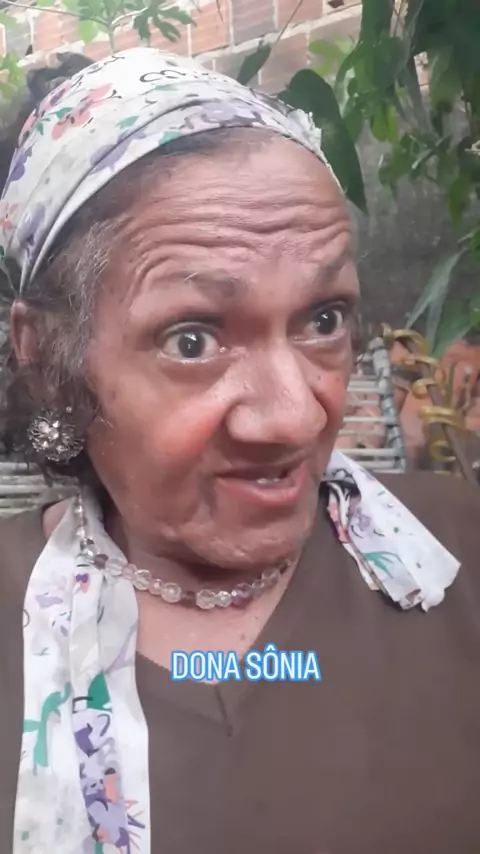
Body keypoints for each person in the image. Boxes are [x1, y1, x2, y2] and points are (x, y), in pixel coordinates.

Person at [0, 47, 479, 854]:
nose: (295, 418)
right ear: (49, 358)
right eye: (193, 340)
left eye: (323, 319)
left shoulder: (461, 552)